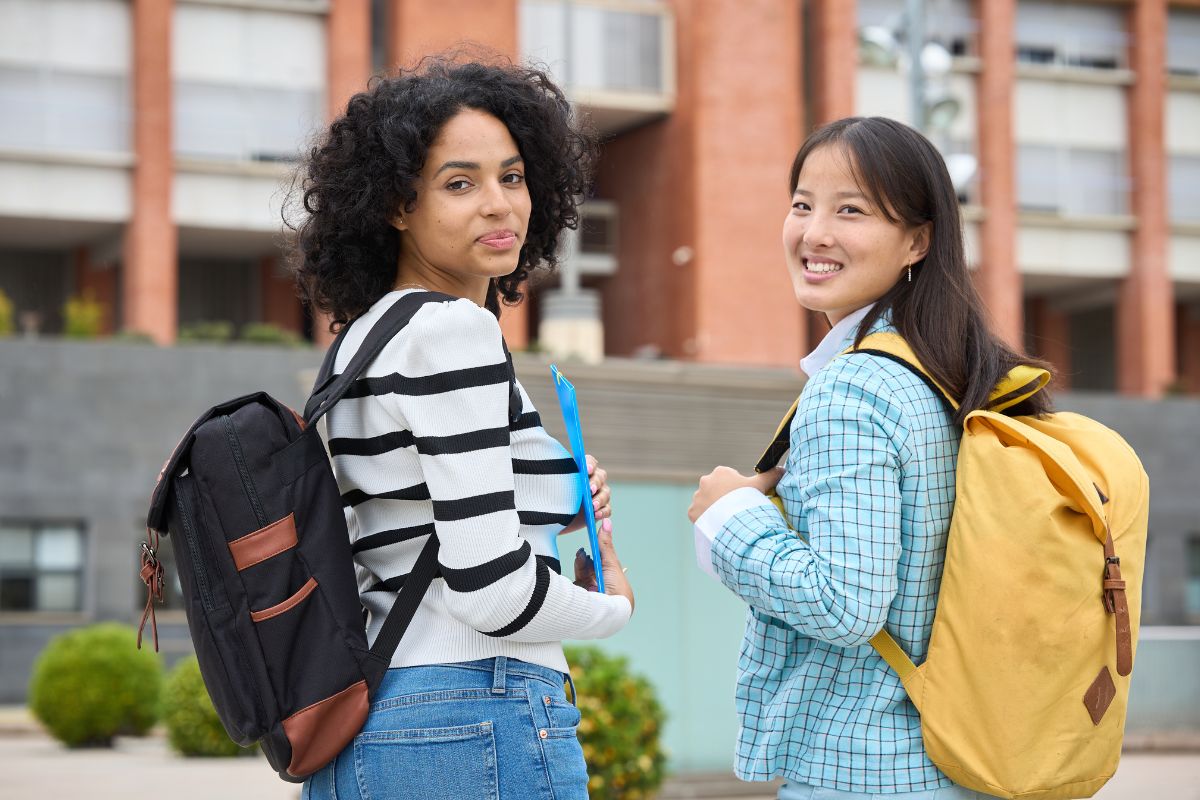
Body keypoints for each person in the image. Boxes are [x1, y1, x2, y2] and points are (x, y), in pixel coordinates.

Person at [290, 57, 635, 800]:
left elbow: (405, 528)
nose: (498, 205)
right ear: (397, 206)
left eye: (512, 177)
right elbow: (490, 591)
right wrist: (612, 610)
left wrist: (561, 496)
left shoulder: (359, 343)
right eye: (459, 182)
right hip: (475, 708)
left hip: (376, 718)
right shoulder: (453, 332)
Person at [687, 116, 1052, 800]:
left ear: (917, 240)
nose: (814, 232)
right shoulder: (952, 378)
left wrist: (727, 515)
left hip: (865, 769)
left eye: (849, 210)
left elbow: (845, 605)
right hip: (963, 758)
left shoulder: (856, 387)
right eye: (802, 204)